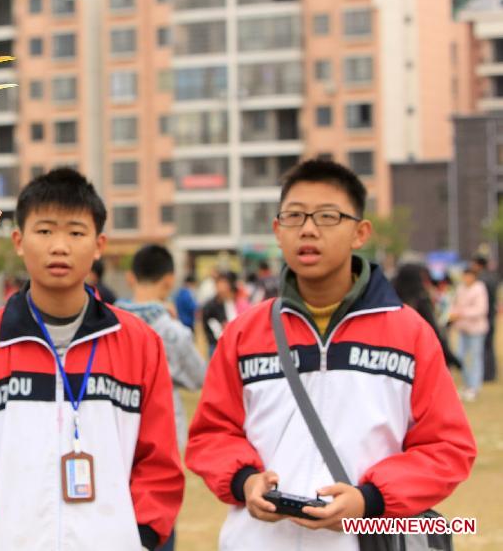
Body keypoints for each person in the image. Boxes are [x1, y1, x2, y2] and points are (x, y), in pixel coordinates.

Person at [185, 160, 476, 550]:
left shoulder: (409, 333)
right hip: (258, 540)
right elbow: (212, 434)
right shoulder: (244, 333)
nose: (308, 229)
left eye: (327, 216)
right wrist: (245, 481)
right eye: (294, 216)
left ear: (360, 233)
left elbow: (447, 448)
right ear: (277, 230)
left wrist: (369, 499)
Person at [0, 168, 184, 551]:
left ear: (99, 245)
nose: (60, 246)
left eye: (76, 232)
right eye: (45, 231)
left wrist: (142, 538)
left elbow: (159, 460)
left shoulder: (140, 344)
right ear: (18, 240)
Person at [115, 244, 207, 551]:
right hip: (160, 442)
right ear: (169, 280)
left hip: (112, 441)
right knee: (158, 518)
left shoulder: (107, 323)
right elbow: (199, 377)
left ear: (130, 277)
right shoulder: (172, 331)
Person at [392, 263, 458, 369]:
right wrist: (450, 356)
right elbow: (434, 330)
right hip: (416, 354)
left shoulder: (389, 299)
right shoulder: (420, 299)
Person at [450, 268, 489, 402]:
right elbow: (455, 304)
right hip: (462, 328)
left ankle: (474, 387)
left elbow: (481, 309)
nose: (466, 278)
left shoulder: (479, 288)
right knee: (459, 357)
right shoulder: (460, 288)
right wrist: (452, 314)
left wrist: (461, 313)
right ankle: (467, 384)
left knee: (474, 358)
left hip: (476, 330)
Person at [200, 271, 248, 357]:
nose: (221, 288)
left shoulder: (235, 302)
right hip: (216, 345)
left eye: (224, 284)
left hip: (235, 344)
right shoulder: (210, 306)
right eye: (219, 284)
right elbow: (212, 328)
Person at [469, 255, 498, 381]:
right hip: (491, 314)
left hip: (483, 317)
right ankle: (491, 373)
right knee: (489, 346)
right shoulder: (493, 277)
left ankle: (485, 374)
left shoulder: (481, 280)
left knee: (482, 347)